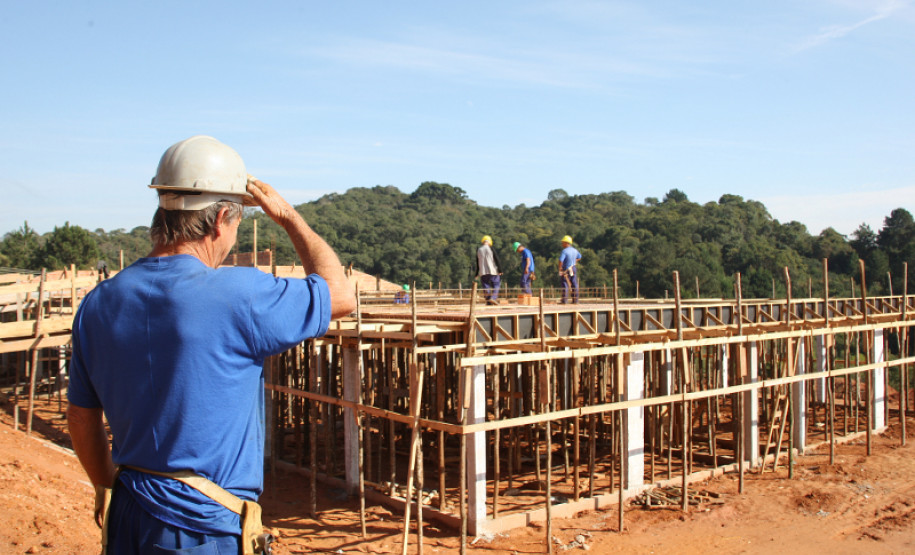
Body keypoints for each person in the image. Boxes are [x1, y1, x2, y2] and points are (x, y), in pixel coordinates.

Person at [67, 135, 356, 554]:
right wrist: (290, 218)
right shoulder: (238, 294)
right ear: (222, 218)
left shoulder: (99, 302)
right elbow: (341, 295)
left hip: (127, 515)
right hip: (203, 527)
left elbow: (81, 418)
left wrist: (103, 483)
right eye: (236, 226)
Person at [475, 235, 502, 305]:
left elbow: (477, 262)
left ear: (483, 241)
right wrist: (500, 270)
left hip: (483, 272)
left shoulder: (479, 250)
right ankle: (493, 298)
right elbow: (497, 259)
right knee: (496, 284)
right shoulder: (491, 248)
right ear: (489, 242)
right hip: (492, 271)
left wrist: (476, 273)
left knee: (485, 285)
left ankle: (488, 300)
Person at [558, 235, 581, 304]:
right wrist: (574, 261)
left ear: (566, 243)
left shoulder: (564, 251)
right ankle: (575, 300)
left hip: (566, 270)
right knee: (574, 284)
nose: (562, 244)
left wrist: (560, 269)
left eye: (563, 242)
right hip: (573, 268)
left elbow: (560, 260)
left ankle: (564, 300)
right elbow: (579, 257)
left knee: (565, 284)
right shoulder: (575, 250)